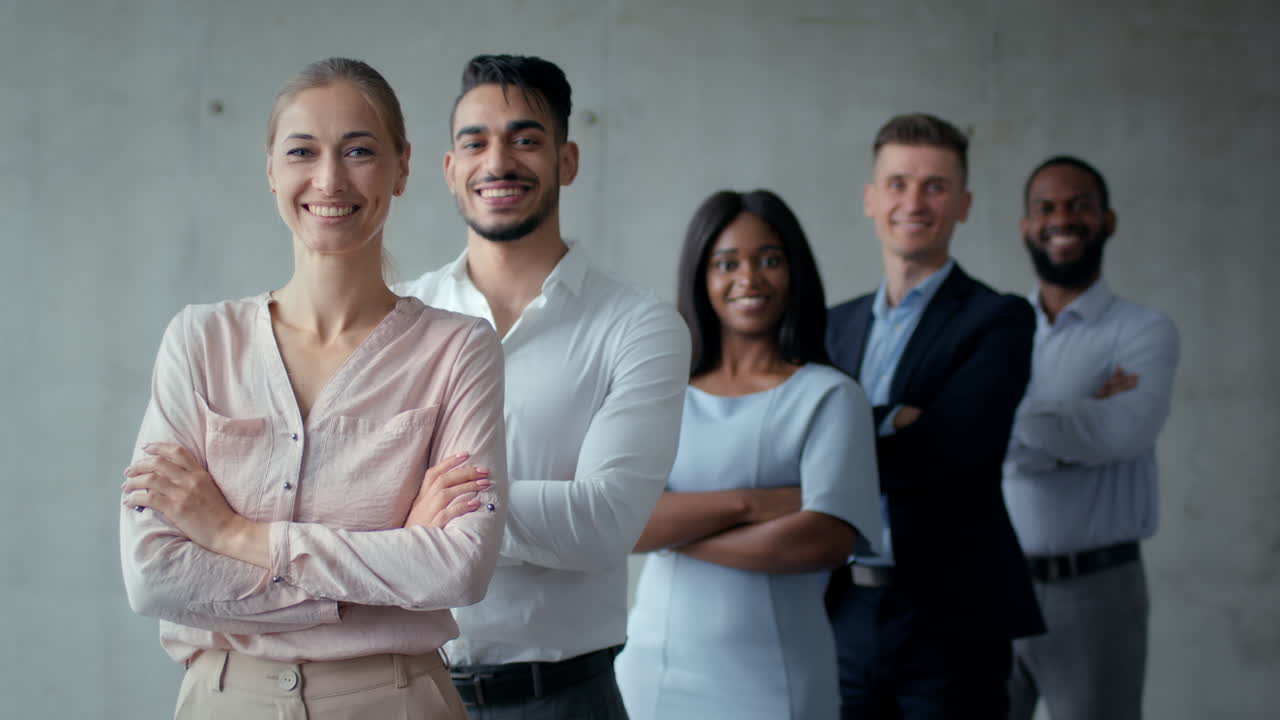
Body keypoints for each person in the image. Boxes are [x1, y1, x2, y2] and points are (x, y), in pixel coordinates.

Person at [119, 57, 507, 719]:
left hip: (395, 699)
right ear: (271, 168)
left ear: (403, 167)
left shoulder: (459, 348)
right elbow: (153, 576)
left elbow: (458, 568)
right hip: (223, 698)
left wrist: (236, 534)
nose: (329, 179)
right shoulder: (200, 340)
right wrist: (381, 569)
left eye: (359, 150)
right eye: (303, 151)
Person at [396, 54, 690, 718]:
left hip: (562, 701)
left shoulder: (637, 325)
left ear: (568, 161)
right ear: (450, 170)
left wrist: (425, 504)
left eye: (526, 139)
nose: (498, 161)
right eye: (476, 142)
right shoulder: (399, 318)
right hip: (406, 693)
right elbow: (346, 502)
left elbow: (604, 522)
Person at [615, 189, 884, 719]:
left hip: (776, 676)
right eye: (726, 263)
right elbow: (621, 522)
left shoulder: (830, 396)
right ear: (701, 275)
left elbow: (821, 540)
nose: (749, 279)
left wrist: (675, 535)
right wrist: (753, 504)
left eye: (769, 260)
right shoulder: (662, 394)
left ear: (795, 270)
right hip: (654, 670)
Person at [823, 113, 1045, 718]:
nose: (913, 201)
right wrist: (893, 419)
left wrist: (844, 435)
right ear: (871, 199)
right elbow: (794, 450)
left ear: (964, 204)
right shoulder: (830, 326)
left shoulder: (998, 320)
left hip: (953, 615)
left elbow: (955, 453)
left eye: (935, 186)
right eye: (897, 183)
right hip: (840, 608)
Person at [1004, 156, 1179, 720]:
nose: (1063, 218)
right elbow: (967, 437)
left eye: (1079, 204)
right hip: (996, 586)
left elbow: (1120, 434)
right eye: (1046, 208)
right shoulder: (997, 330)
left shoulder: (1143, 330)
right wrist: (1077, 416)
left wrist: (1010, 428)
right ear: (1026, 226)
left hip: (1097, 592)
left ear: (1108, 220)